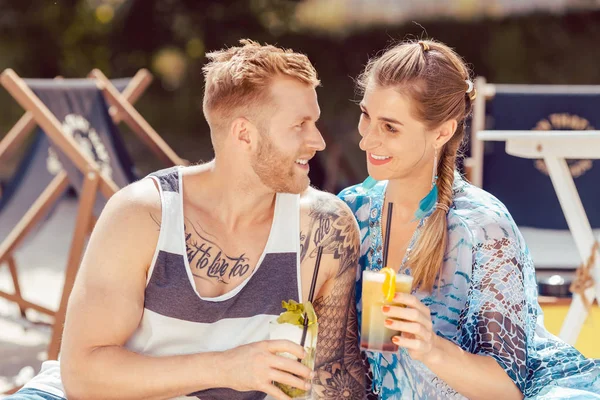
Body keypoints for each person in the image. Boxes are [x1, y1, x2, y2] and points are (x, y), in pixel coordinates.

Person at [8, 39, 366, 400]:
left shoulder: (324, 228)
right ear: (244, 134)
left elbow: (337, 380)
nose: (318, 141)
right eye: (300, 125)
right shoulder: (142, 214)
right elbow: (83, 376)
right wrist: (227, 367)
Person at [338, 39, 600, 400]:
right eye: (366, 115)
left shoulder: (481, 227)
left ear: (442, 133)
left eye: (390, 128)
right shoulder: (351, 210)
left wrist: (431, 347)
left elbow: (508, 388)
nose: (367, 140)